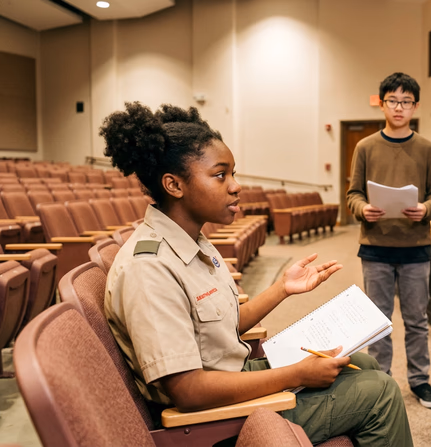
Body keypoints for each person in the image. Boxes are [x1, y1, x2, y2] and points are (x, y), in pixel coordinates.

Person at [100, 102, 413, 446]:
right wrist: (294, 374)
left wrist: (283, 288)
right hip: (212, 421)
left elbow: (222, 326)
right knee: (380, 392)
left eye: (233, 173)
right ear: (174, 185)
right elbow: (188, 391)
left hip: (231, 379)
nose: (235, 186)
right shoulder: (150, 268)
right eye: (221, 175)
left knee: (361, 362)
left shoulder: (193, 241)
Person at [346, 72, 431, 409]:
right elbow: (352, 195)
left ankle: (420, 381)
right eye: (392, 101)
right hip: (375, 248)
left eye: (406, 102)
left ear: (415, 106)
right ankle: (381, 382)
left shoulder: (427, 149)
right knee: (378, 322)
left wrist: (425, 209)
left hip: (416, 247)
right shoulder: (365, 147)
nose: (399, 107)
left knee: (417, 320)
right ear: (382, 104)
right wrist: (363, 209)